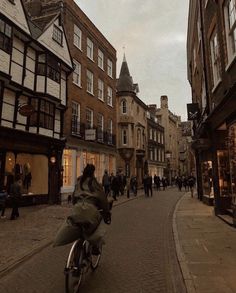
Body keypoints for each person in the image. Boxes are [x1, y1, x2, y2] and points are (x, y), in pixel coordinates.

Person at [54, 164, 112, 253]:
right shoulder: (95, 184)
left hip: (77, 208)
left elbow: (74, 198)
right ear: (93, 173)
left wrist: (76, 205)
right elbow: (103, 200)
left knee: (76, 224)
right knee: (97, 224)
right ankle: (95, 246)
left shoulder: (79, 182)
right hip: (90, 209)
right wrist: (106, 212)